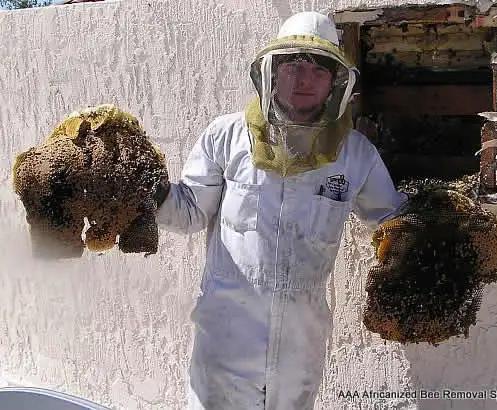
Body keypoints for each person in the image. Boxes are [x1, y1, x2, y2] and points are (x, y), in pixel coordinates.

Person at [152, 12, 407, 408]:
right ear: (270, 72)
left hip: (299, 354)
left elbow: (392, 221)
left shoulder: (356, 155)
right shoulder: (226, 136)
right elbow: (189, 212)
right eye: (293, 65)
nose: (304, 79)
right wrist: (147, 194)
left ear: (335, 81)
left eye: (318, 69)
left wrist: (433, 236)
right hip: (224, 348)